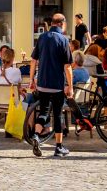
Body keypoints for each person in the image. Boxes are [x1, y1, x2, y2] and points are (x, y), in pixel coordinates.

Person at [28, 13, 74, 158]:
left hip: (42, 83)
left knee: (43, 112)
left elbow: (33, 61)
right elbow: (67, 66)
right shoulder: (63, 40)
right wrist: (70, 85)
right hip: (57, 84)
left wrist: (31, 80)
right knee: (58, 115)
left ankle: (36, 136)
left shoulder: (41, 38)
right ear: (62, 24)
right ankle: (59, 147)